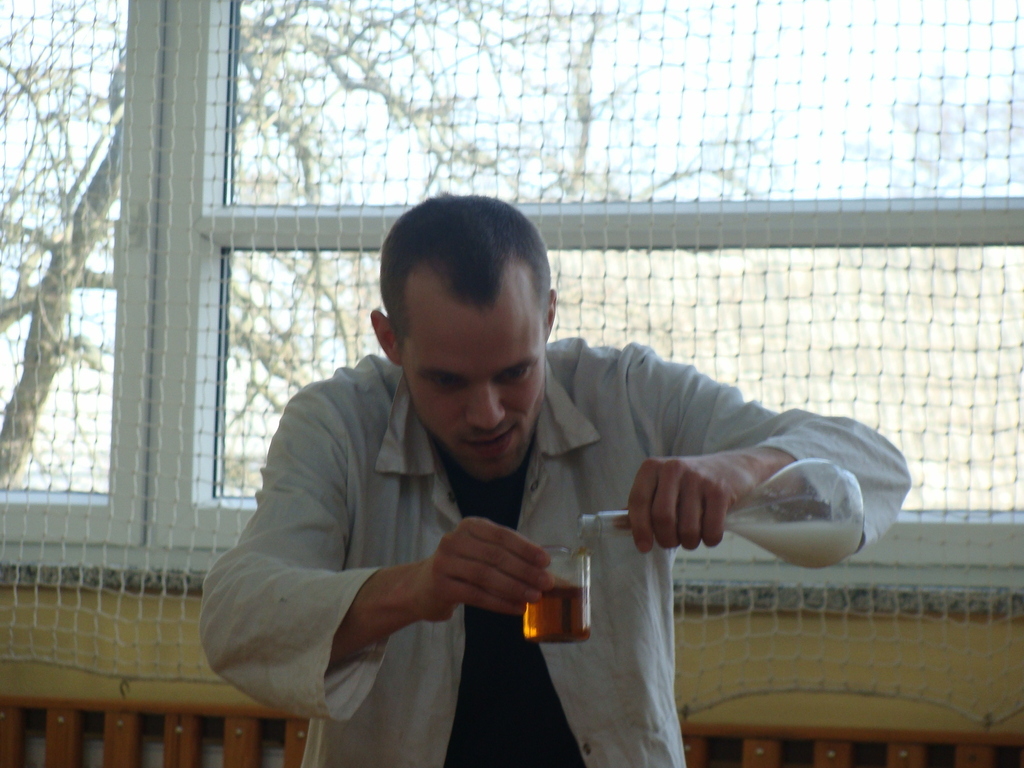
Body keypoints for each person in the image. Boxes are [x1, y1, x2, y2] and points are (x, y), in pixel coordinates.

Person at [200, 195, 911, 767]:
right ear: (390, 341)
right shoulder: (336, 423)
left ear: (547, 317)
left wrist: (738, 468)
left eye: (515, 372)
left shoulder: (630, 395)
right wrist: (414, 588)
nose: (488, 413)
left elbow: (877, 469)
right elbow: (234, 617)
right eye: (447, 381)